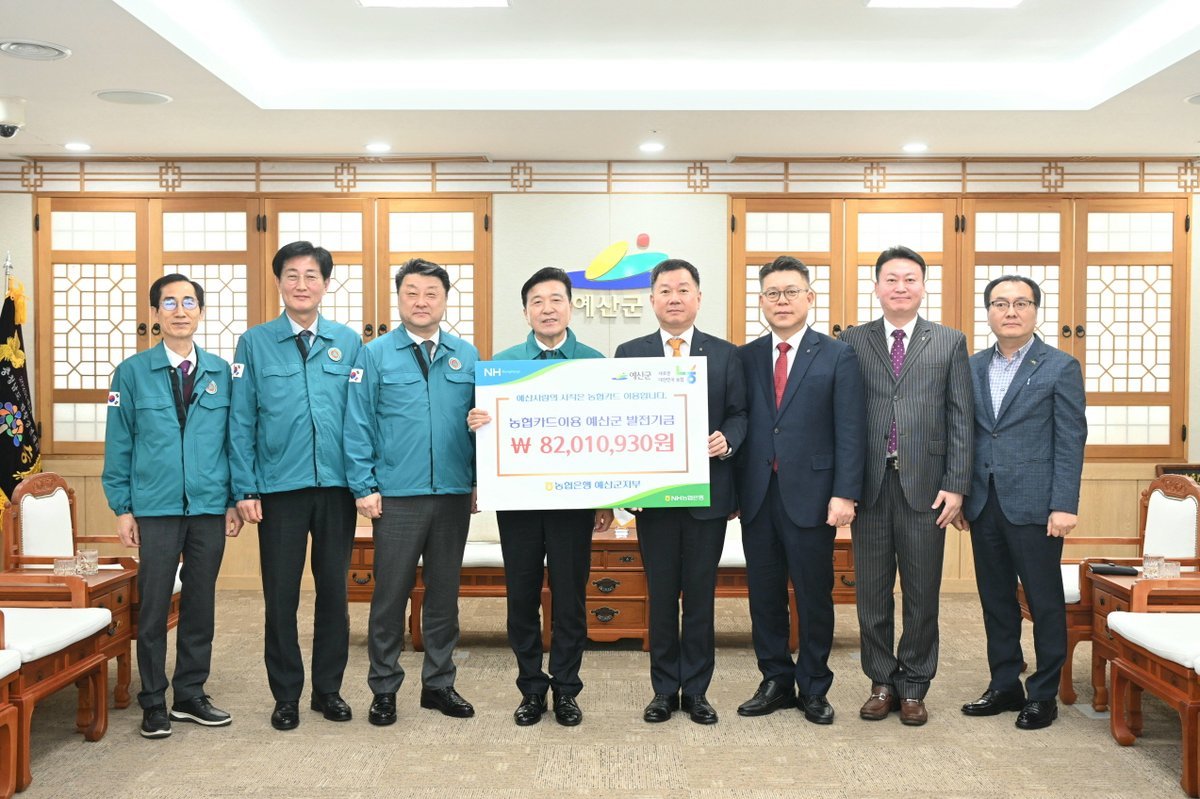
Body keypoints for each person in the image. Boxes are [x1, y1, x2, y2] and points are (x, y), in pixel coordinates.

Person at [466, 267, 613, 727]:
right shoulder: (501, 365)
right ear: (525, 311)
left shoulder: (595, 362)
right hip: (519, 503)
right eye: (537, 302)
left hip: (574, 503)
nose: (547, 309)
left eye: (556, 300)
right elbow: (485, 436)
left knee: (570, 600)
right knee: (522, 598)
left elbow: (608, 434)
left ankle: (567, 689)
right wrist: (476, 424)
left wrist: (607, 498)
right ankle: (531, 689)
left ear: (571, 306)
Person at [227, 241, 362, 731]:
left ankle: (328, 691)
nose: (301, 284)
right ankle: (286, 695)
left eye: (311, 276)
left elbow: (361, 416)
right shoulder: (254, 343)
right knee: (281, 596)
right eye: (292, 275)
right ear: (278, 282)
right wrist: (245, 489)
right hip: (278, 490)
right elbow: (241, 420)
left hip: (337, 488)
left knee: (334, 595)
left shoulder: (349, 342)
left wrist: (364, 480)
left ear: (326, 284)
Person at [102, 273, 242, 739]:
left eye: (188, 302)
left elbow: (234, 441)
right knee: (155, 605)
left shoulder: (221, 372)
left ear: (200, 311)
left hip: (208, 507)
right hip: (155, 507)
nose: (179, 311)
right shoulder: (131, 373)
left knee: (200, 603)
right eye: (169, 302)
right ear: (155, 312)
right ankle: (152, 700)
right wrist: (123, 507)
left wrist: (233, 499)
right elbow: (119, 443)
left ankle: (190, 695)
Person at [838, 245, 972, 726]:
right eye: (891, 279)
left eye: (910, 279)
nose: (900, 287)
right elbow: (842, 417)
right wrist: (843, 485)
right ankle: (881, 681)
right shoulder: (852, 341)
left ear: (923, 287)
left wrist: (956, 484)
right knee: (872, 594)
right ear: (876, 287)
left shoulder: (949, 341)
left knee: (921, 595)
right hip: (870, 486)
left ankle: (914, 685)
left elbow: (961, 417)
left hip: (927, 487)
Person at [345, 257, 480, 726]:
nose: (421, 302)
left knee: (443, 596)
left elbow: (480, 425)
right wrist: (364, 486)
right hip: (396, 497)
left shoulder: (467, 355)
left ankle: (439, 685)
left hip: (452, 494)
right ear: (399, 298)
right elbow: (357, 423)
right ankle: (384, 689)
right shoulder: (375, 355)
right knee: (390, 596)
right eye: (412, 293)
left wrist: (477, 481)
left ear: (445, 300)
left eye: (431, 294)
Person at [614, 258, 746, 725]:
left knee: (701, 599)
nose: (674, 298)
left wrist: (728, 439)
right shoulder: (629, 353)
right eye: (665, 290)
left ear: (698, 298)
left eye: (683, 289)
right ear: (652, 300)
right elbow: (619, 421)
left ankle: (698, 692)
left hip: (706, 498)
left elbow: (740, 413)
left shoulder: (726, 354)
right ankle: (663, 691)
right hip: (653, 499)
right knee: (662, 597)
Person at [735, 256, 865, 725]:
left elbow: (850, 429)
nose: (782, 301)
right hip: (757, 495)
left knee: (813, 595)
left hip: (814, 495)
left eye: (791, 291)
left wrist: (845, 493)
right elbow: (739, 422)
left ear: (809, 297)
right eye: (773, 293)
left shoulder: (837, 355)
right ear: (761, 301)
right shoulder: (745, 356)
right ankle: (774, 679)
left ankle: (813, 685)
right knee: (764, 595)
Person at [957, 275, 1086, 730]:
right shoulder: (971, 366)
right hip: (984, 502)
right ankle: (1005, 684)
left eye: (1020, 303)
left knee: (1044, 602)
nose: (1010, 311)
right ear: (988, 312)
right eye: (1000, 303)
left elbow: (1070, 439)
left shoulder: (1059, 366)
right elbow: (964, 434)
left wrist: (1064, 504)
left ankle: (1043, 694)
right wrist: (961, 493)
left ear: (1035, 310)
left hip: (1037, 505)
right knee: (995, 601)